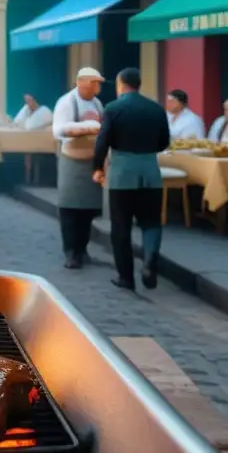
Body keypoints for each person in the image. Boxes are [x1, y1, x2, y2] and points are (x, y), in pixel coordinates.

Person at [92, 68, 171, 291]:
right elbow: (164, 142)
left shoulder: (113, 109)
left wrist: (98, 167)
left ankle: (126, 277)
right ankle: (149, 260)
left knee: (121, 227)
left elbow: (102, 141)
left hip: (122, 172)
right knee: (151, 222)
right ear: (139, 84)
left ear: (120, 84)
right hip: (150, 171)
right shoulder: (156, 108)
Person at [52, 67, 106, 269]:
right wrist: (85, 128)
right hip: (71, 159)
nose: (97, 87)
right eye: (94, 82)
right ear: (81, 82)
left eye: (98, 83)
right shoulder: (67, 102)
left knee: (88, 210)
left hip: (91, 160)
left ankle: (83, 249)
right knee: (70, 209)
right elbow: (58, 130)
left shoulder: (97, 104)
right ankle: (70, 252)